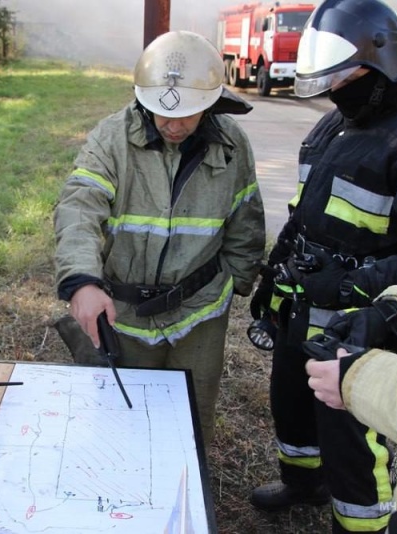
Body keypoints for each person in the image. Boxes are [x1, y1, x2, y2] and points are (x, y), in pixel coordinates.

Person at [247, 0, 397, 532]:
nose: (335, 90)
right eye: (327, 81)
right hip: (303, 309)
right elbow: (304, 214)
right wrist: (272, 283)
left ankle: (362, 524)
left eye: (344, 78)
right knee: (292, 406)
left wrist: (353, 285)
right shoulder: (337, 125)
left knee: (355, 445)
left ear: (385, 64)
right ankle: (303, 481)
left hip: (366, 330)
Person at [53, 30, 266, 448]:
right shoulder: (111, 139)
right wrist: (82, 281)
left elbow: (246, 217)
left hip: (200, 312)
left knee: (190, 420)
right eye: (162, 112)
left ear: (210, 103)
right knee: (121, 420)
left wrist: (239, 280)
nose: (172, 123)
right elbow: (79, 207)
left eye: (187, 113)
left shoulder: (233, 145)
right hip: (127, 313)